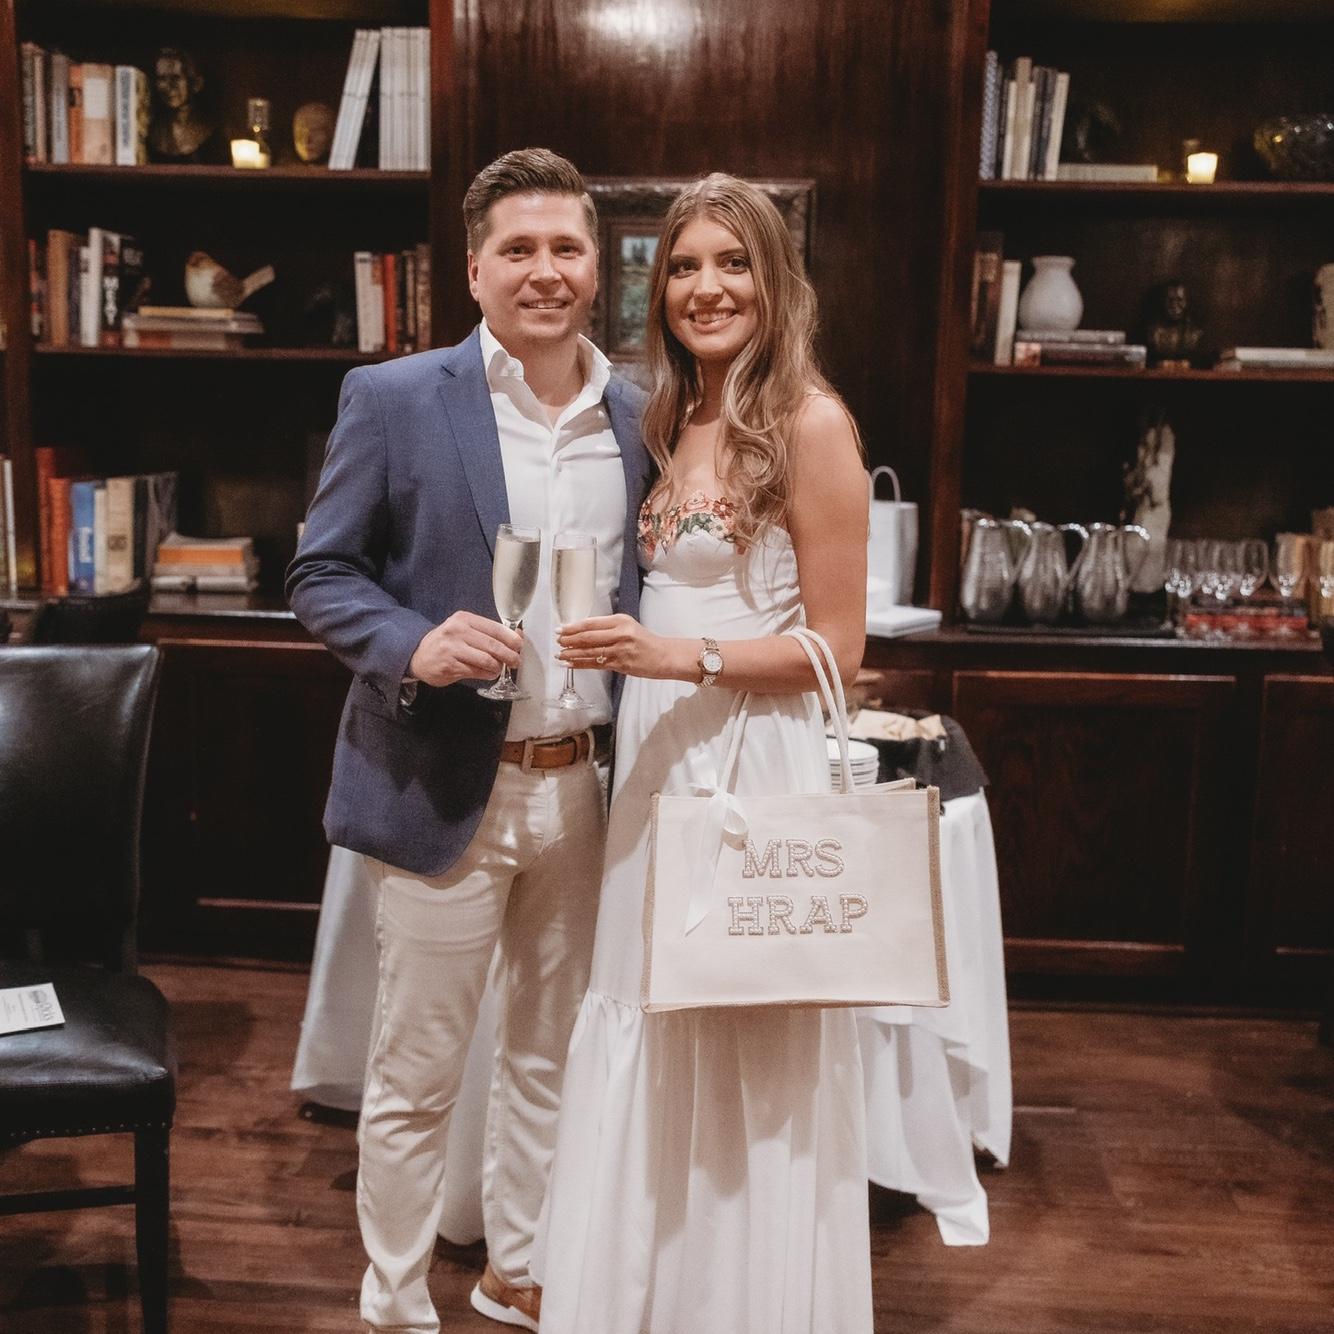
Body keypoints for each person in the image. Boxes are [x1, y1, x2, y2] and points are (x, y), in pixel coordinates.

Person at [286, 147, 651, 1334]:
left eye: (566, 247)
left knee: (548, 1051)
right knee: (416, 1068)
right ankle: (394, 1297)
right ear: (475, 268)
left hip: (583, 787)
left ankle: (517, 1265)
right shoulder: (394, 397)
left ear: (596, 264)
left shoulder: (640, 414)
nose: (545, 270)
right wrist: (411, 641)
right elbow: (320, 573)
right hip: (441, 779)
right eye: (518, 248)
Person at [534, 173, 872, 1333]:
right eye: (683, 266)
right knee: (645, 1007)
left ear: (775, 280)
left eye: (732, 263)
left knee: (739, 1025)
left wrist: (679, 657)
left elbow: (838, 647)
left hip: (748, 762)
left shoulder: (810, 423)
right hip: (654, 767)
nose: (705, 287)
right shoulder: (665, 418)